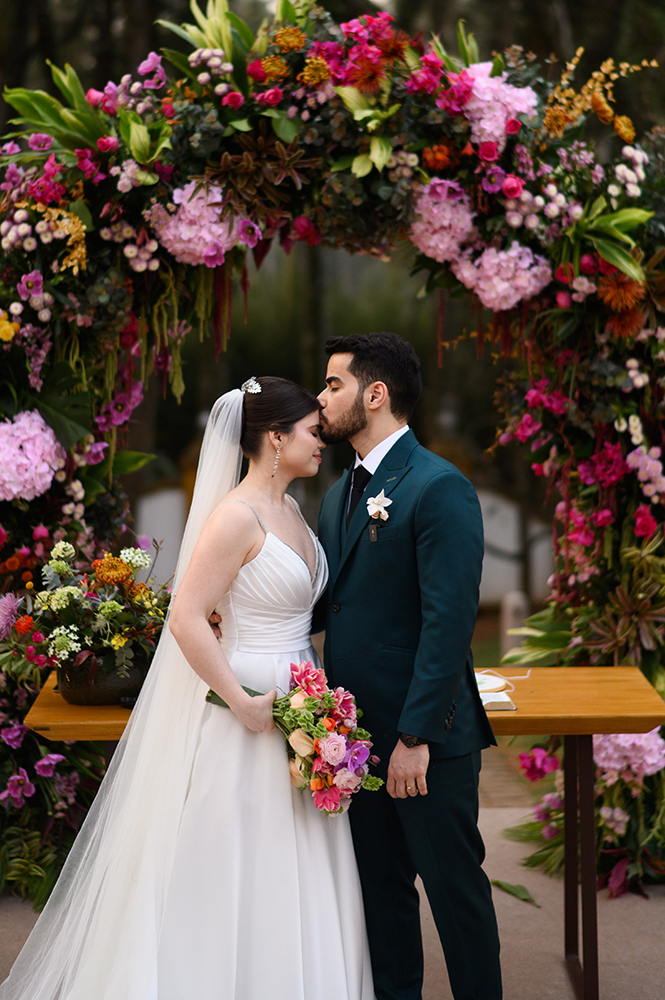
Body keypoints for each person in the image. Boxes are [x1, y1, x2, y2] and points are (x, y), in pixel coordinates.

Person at [0, 377, 375, 1000]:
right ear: (276, 439)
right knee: (241, 858)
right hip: (248, 705)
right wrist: (238, 700)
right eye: (312, 431)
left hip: (303, 701)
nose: (322, 442)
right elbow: (186, 616)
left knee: (302, 856)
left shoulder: (295, 513)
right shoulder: (235, 516)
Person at [315, 333, 502, 1000]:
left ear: (375, 394)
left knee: (454, 894)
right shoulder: (338, 496)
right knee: (381, 898)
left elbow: (449, 624)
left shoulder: (438, 487)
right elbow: (331, 603)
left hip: (424, 744)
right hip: (355, 742)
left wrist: (416, 738)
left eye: (332, 385)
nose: (320, 398)